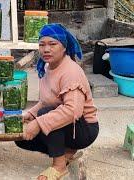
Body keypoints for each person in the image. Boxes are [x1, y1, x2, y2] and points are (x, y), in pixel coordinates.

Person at [15, 23, 99, 180]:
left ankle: (59, 166)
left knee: (46, 115)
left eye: (52, 44)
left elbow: (73, 111)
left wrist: (39, 122)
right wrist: (30, 115)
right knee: (22, 138)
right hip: (68, 126)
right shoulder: (48, 67)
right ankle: (67, 151)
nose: (46, 49)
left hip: (84, 129)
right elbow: (47, 100)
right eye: (42, 45)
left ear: (64, 47)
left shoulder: (71, 71)